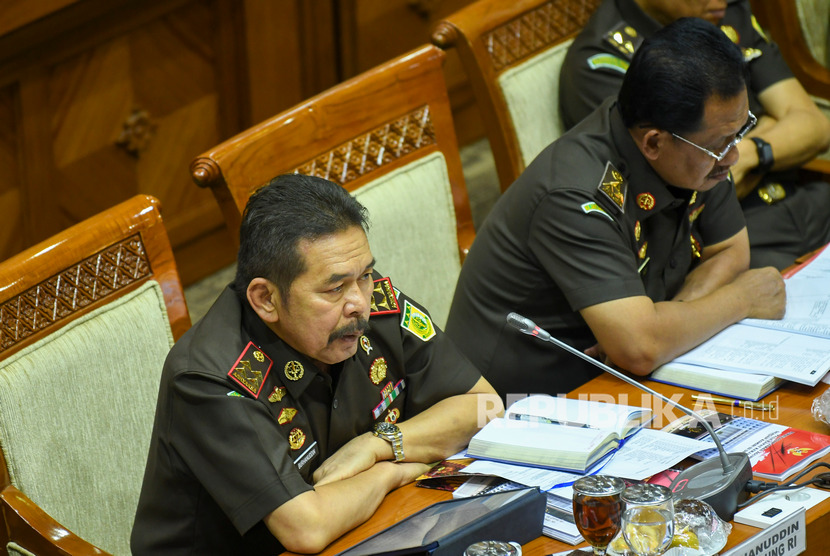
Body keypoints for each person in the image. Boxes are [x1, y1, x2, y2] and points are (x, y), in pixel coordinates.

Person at [131, 174, 502, 555]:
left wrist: (379, 445)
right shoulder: (211, 378)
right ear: (266, 300)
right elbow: (306, 528)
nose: (359, 302)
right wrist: (395, 470)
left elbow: (485, 406)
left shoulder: (371, 308)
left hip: (368, 531)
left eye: (365, 275)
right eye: (334, 288)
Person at [445, 18, 786, 400]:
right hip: (517, 408)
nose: (734, 155)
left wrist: (665, 324)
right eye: (721, 144)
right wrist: (741, 300)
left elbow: (730, 251)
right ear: (654, 143)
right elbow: (640, 349)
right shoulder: (573, 194)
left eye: (739, 133)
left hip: (617, 382)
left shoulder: (696, 150)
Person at [559, 0, 830, 270]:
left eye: (744, 127)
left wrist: (746, 155)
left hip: (805, 196)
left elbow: (815, 126)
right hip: (729, 235)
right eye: (721, 144)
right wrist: (775, 127)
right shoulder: (603, 63)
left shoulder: (724, 12)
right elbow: (681, 191)